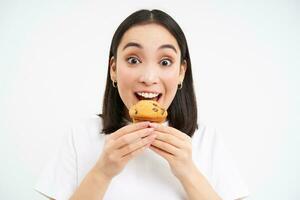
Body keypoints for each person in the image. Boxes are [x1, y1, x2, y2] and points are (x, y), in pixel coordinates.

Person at [34, 9, 249, 200]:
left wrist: (187, 171)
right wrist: (102, 172)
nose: (148, 77)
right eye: (133, 60)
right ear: (114, 69)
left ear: (181, 72)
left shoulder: (206, 140)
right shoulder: (80, 136)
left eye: (165, 62)